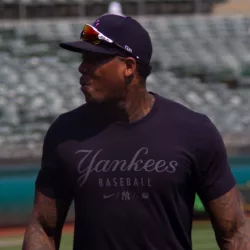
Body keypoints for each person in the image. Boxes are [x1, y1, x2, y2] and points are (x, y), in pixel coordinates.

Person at [22, 14, 250, 250]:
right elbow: (42, 228)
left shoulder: (194, 131)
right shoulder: (65, 133)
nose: (82, 67)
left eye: (94, 59)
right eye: (83, 58)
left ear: (128, 67)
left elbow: (235, 232)